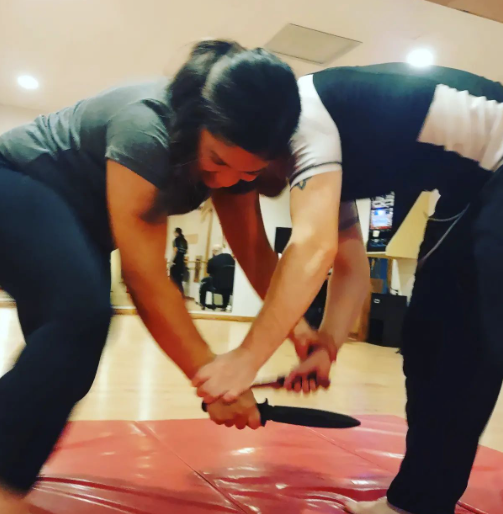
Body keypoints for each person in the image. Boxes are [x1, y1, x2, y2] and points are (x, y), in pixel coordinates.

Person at [193, 63, 503, 514]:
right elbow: (352, 267)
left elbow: (313, 247)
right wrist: (325, 345)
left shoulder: (304, 119)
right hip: (469, 190)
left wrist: (246, 358)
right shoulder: (325, 161)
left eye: (246, 173)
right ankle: (419, 502)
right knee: (433, 346)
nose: (242, 181)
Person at [0, 39, 306, 513]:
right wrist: (215, 381)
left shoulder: (232, 161)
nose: (227, 181)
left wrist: (300, 330)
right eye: (218, 161)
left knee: (71, 362)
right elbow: (144, 279)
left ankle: (8, 486)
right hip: (16, 180)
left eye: (247, 173)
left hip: (78, 224)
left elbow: (254, 252)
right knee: (81, 314)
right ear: (196, 121)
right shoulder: (147, 125)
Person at [199, 244, 235, 309]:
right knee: (225, 280)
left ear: (214, 251)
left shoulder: (212, 260)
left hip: (216, 286)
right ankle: (224, 305)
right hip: (230, 286)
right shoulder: (230, 258)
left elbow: (209, 272)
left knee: (204, 282)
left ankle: (202, 303)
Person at [170, 227, 188, 294]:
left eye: (174, 232)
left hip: (176, 262)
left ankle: (173, 295)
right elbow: (186, 252)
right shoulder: (185, 241)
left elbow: (175, 251)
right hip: (181, 263)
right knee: (179, 281)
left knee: (173, 280)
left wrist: (171, 261)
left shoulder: (176, 240)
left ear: (177, 233)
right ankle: (181, 295)